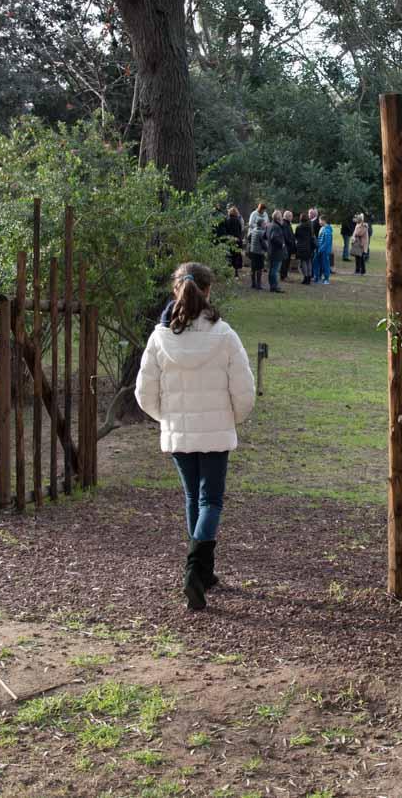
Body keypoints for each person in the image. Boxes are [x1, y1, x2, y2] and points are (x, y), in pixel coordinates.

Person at [134, 262, 256, 612]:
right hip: (216, 433)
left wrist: (167, 419)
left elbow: (144, 393)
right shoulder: (226, 335)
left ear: (177, 291)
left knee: (193, 498)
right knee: (211, 501)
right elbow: (245, 391)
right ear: (207, 292)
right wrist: (231, 419)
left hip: (180, 434)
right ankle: (195, 570)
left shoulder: (159, 338)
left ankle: (204, 572)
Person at [217, 205, 244, 278]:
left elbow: (226, 230)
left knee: (229, 256)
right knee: (236, 257)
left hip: (229, 240)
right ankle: (236, 273)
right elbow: (240, 230)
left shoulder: (227, 220)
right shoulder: (238, 220)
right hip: (237, 240)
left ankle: (227, 273)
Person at [265, 211, 289, 292]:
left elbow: (264, 236)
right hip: (276, 251)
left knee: (272, 269)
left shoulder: (269, 225)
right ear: (279, 218)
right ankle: (274, 287)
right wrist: (282, 244)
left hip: (270, 250)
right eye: (281, 216)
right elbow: (273, 238)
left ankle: (272, 286)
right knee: (275, 270)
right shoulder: (276, 227)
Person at [294, 209, 317, 285]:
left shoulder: (299, 227)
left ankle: (305, 277)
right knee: (309, 261)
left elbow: (296, 236)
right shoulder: (310, 226)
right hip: (309, 246)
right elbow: (312, 235)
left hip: (301, 246)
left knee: (303, 262)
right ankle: (309, 277)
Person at [246, 212, 267, 291]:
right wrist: (267, 250)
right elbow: (263, 244)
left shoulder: (253, 230)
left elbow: (249, 238)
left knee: (253, 268)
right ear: (261, 224)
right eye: (264, 223)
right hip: (259, 253)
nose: (265, 225)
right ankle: (258, 285)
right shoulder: (262, 232)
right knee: (259, 269)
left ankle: (253, 284)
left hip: (252, 251)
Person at [313, 215, 333, 285]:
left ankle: (326, 279)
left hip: (324, 251)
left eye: (320, 220)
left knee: (325, 264)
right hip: (319, 249)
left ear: (324, 220)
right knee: (316, 263)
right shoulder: (322, 228)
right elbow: (319, 239)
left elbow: (326, 242)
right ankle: (317, 277)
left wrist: (321, 249)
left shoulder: (327, 229)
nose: (319, 222)